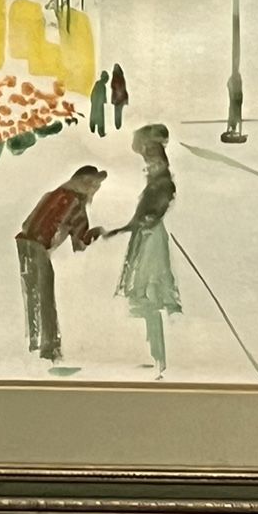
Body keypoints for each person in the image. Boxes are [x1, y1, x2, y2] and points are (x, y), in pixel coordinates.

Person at [15, 165, 107, 366]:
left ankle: (35, 344)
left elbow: (27, 224)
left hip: (24, 244)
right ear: (84, 182)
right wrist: (97, 233)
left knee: (33, 295)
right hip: (38, 248)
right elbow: (80, 244)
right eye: (93, 185)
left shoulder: (53, 194)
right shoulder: (75, 203)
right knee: (45, 298)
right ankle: (50, 350)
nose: (94, 190)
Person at [110, 123, 181, 376]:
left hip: (151, 238)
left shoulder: (161, 177)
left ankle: (158, 359)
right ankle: (155, 357)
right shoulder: (155, 176)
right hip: (145, 234)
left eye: (148, 152)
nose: (146, 157)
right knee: (147, 295)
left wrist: (149, 218)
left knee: (150, 292)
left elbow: (165, 193)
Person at [88, 69, 109, 138]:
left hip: (95, 103)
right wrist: (102, 101)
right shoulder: (102, 86)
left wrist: (93, 101)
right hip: (99, 104)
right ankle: (101, 133)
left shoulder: (98, 83)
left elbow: (93, 94)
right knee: (100, 119)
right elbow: (102, 96)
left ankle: (92, 129)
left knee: (94, 116)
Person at [110, 62, 129, 131]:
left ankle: (117, 125)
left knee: (117, 112)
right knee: (119, 112)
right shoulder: (121, 78)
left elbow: (116, 88)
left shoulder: (115, 78)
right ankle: (118, 125)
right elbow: (123, 88)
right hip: (121, 98)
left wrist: (116, 98)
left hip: (117, 98)